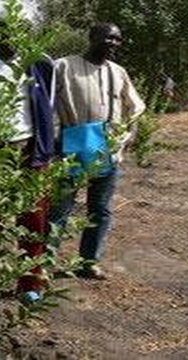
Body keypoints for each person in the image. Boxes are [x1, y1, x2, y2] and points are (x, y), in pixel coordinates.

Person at [0, 20, 56, 304]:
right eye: (9, 31)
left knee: (33, 217)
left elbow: (46, 107)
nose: (14, 38)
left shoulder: (41, 62)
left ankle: (30, 282)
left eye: (22, 31)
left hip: (28, 148)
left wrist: (46, 148)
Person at [50, 22, 145, 280]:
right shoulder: (64, 66)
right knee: (60, 209)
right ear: (92, 38)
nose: (113, 43)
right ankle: (44, 265)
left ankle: (88, 262)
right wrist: (52, 142)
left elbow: (135, 106)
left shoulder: (118, 71)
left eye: (117, 39)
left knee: (100, 209)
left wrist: (131, 132)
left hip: (108, 149)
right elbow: (46, 104)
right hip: (72, 146)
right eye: (108, 38)